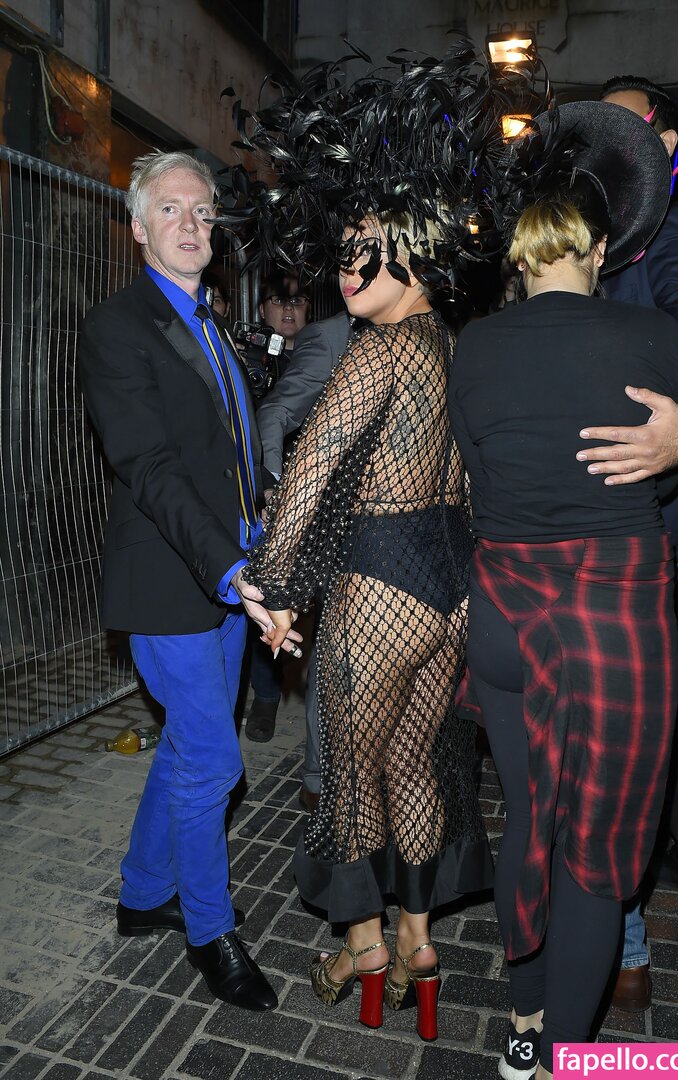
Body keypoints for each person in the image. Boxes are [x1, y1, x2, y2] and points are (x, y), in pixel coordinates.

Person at [231, 46, 498, 1040]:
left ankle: (363, 948)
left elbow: (308, 472)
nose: (346, 268)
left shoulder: (377, 351)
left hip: (381, 579)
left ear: (414, 253)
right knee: (416, 765)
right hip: (450, 582)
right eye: (342, 251)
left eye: (366, 251)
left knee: (351, 775)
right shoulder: (450, 346)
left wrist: (271, 588)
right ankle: (420, 943)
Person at [448, 101, 678, 1079]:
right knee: (596, 851)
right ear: (596, 248)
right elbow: (661, 474)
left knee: (528, 818)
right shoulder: (649, 333)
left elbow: (475, 477)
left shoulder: (475, 345)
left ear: (520, 254)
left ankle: (522, 1022)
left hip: (504, 611)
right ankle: (562, 1058)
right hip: (611, 613)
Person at [79, 150, 302, 1011]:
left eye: (203, 211)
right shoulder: (118, 325)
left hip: (231, 577)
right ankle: (211, 933)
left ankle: (144, 894)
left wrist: (263, 534)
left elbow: (230, 457)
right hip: (174, 578)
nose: (189, 224)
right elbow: (149, 465)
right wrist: (232, 567)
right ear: (138, 227)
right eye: (169, 209)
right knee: (214, 761)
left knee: (183, 747)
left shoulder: (214, 323)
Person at [575, 75, 678, 1009]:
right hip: (587, 534)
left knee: (623, 743)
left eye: (623, 129)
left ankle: (621, 946)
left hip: (656, 546)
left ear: (666, 148)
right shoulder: (593, 241)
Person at [256, 309, 354, 806]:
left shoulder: (441, 328)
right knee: (336, 653)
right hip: (338, 527)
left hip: (419, 531)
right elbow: (275, 413)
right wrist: (275, 491)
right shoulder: (332, 336)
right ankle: (318, 781)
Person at [243, 271, 312, 742]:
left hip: (317, 495)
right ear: (262, 308)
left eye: (298, 300)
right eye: (278, 300)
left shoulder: (329, 354)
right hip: (264, 494)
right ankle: (265, 697)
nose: (288, 309)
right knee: (264, 594)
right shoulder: (243, 358)